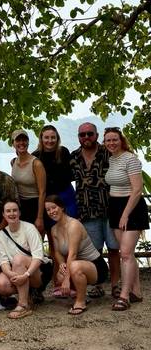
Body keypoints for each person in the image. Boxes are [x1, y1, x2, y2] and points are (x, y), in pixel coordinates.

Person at [70, 122, 120, 297]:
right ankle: (97, 284)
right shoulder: (74, 156)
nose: (86, 138)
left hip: (110, 209)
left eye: (89, 134)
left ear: (97, 135)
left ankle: (115, 285)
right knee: (94, 252)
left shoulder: (109, 153)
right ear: (78, 137)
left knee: (114, 249)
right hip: (87, 212)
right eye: (82, 135)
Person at [104, 127, 149, 311]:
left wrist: (125, 214)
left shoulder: (131, 159)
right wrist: (118, 212)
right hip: (115, 207)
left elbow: (137, 189)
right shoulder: (112, 159)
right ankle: (136, 292)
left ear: (121, 140)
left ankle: (124, 296)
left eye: (114, 139)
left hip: (131, 208)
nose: (111, 143)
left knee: (125, 254)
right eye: (108, 140)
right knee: (126, 254)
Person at [45, 195, 109, 316]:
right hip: (76, 264)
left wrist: (67, 281)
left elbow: (72, 254)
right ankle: (80, 292)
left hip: (96, 267)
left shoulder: (74, 225)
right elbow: (57, 252)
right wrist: (62, 264)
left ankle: (80, 302)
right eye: (48, 210)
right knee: (60, 275)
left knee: (72, 268)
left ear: (62, 207)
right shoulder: (54, 229)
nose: (51, 212)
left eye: (54, 207)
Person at [33, 125, 77, 220]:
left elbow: (72, 174)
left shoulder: (63, 152)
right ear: (41, 138)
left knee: (71, 224)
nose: (50, 140)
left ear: (57, 138)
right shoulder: (36, 156)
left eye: (53, 137)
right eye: (46, 137)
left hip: (66, 194)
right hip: (48, 197)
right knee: (52, 229)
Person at [10, 129, 46, 235]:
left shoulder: (36, 164)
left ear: (28, 142)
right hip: (20, 206)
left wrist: (39, 217)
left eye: (24, 140)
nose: (21, 143)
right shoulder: (13, 162)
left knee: (35, 242)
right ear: (13, 143)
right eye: (18, 140)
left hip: (35, 205)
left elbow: (42, 192)